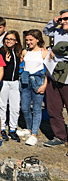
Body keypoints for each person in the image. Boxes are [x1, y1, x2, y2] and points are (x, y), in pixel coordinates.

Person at [17, 29, 48, 146]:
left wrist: (44, 85)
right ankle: (29, 129)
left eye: (31, 40)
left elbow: (48, 72)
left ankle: (34, 134)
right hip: (25, 81)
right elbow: (22, 66)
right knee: (24, 107)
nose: (28, 42)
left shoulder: (43, 53)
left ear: (38, 40)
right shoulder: (25, 52)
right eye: (27, 40)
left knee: (36, 108)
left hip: (38, 81)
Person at [43, 9, 68, 148]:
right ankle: (60, 136)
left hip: (67, 77)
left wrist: (55, 53)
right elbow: (46, 31)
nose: (63, 21)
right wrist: (54, 21)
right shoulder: (58, 32)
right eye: (62, 19)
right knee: (53, 108)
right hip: (53, 74)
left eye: (66, 19)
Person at [0, 31, 22, 142]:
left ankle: (13, 129)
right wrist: (5, 62)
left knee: (15, 107)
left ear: (16, 41)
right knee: (2, 106)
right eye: (7, 39)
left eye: (11, 39)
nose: (8, 41)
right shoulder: (2, 52)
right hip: (4, 82)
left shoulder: (18, 52)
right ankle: (2, 128)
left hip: (15, 82)